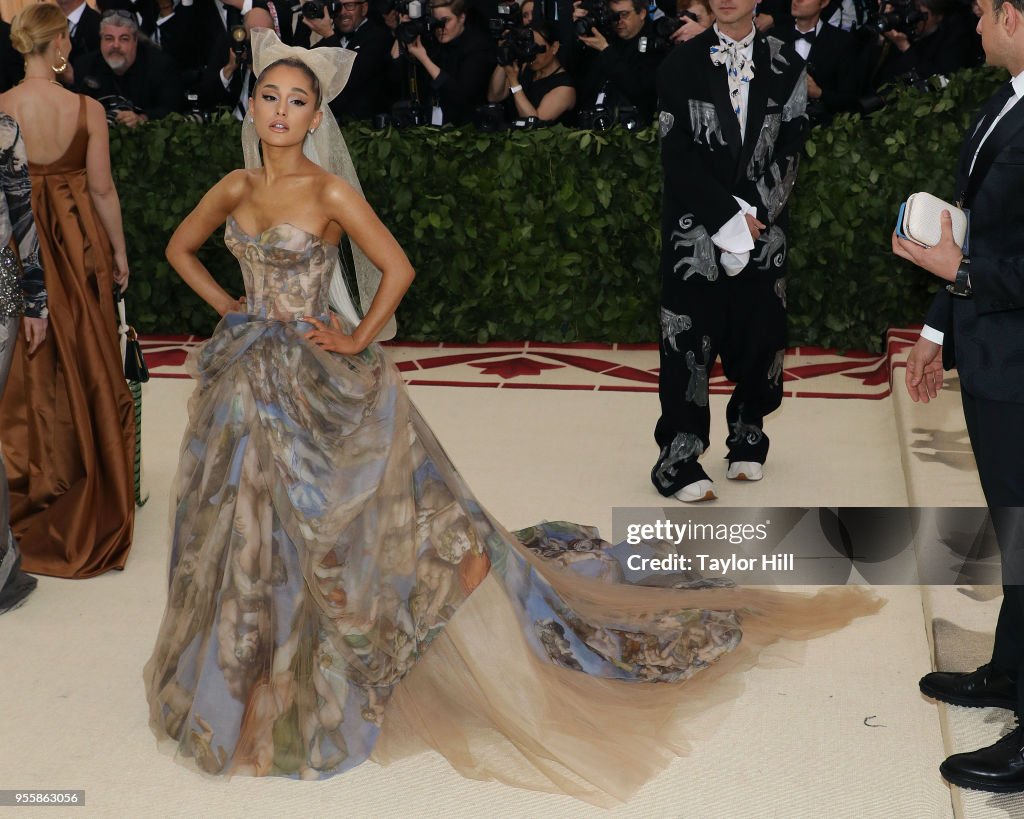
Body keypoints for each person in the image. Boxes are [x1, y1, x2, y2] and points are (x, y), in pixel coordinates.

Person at [143, 27, 879, 800]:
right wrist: (235, 309)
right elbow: (180, 249)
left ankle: (328, 658)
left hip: (315, 375)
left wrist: (356, 334)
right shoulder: (234, 187)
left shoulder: (329, 192)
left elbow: (396, 268)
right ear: (253, 106)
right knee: (239, 516)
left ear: (316, 114)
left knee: (337, 518)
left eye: (297, 101)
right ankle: (247, 665)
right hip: (245, 374)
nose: (281, 112)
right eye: (270, 98)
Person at [896, 0, 1024, 793]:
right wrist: (938, 330)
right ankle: (1011, 670)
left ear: (1016, 13)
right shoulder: (1005, 99)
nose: (974, 27)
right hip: (992, 357)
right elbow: (975, 229)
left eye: (982, 11)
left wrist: (962, 276)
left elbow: (978, 258)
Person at [651, 0, 809, 502]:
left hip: (765, 229)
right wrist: (725, 216)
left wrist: (754, 215)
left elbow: (792, 147)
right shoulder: (679, 64)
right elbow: (675, 155)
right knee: (688, 343)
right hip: (693, 229)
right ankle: (678, 457)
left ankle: (748, 435)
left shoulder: (787, 63)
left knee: (760, 336)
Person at [0, 4, 135, 579]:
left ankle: (27, 481)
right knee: (87, 362)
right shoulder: (85, 110)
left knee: (24, 372)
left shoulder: (1, 109)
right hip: (77, 246)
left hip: (15, 246)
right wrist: (120, 254)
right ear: (56, 45)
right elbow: (102, 191)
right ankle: (85, 474)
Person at [0, 116, 45, 613]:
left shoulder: (4, 130)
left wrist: (37, 302)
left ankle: (2, 567)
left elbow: (23, 218)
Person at [73, 9, 183, 126]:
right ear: (101, 40)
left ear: (135, 41)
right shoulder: (85, 66)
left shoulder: (160, 66)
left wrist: (142, 118)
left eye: (124, 39)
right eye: (109, 38)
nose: (116, 45)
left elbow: (173, 110)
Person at [775, 0, 860, 124]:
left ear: (824, 2)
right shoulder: (774, 36)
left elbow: (851, 99)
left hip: (821, 132)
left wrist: (819, 93)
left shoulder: (842, 42)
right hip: (777, 132)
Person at [486, 19, 576, 124]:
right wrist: (507, 51)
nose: (532, 54)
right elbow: (494, 96)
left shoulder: (565, 88)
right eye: (527, 48)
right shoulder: (524, 68)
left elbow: (533, 126)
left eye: (536, 48)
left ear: (554, 47)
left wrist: (514, 83)